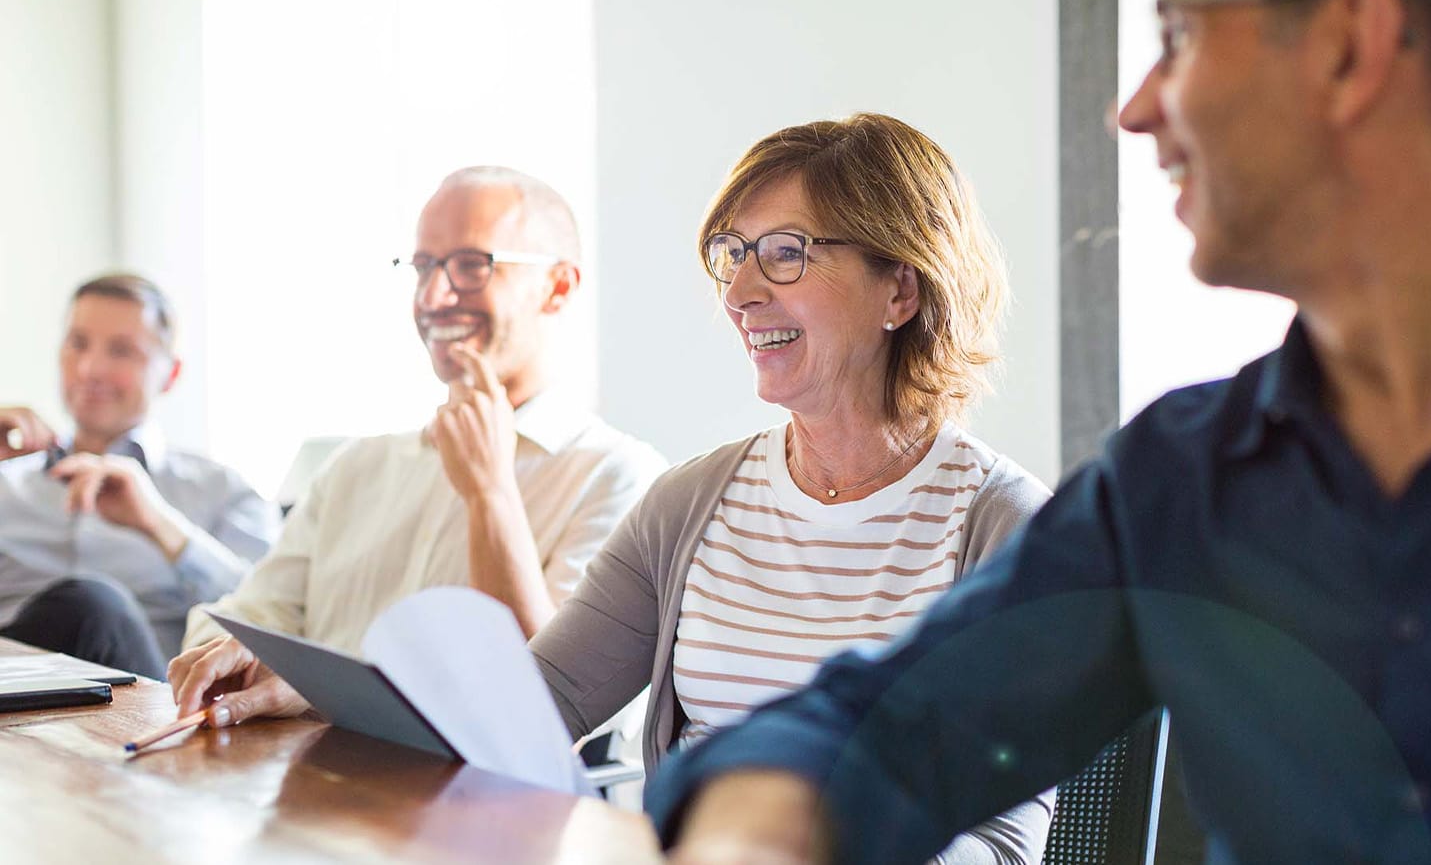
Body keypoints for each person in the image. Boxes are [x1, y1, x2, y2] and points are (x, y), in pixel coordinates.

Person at [647, 0, 1431, 864]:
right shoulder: (1180, 477)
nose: (1134, 109)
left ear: (1351, 46)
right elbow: (906, 726)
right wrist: (752, 826)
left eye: (1179, 34)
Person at [527, 113, 1054, 861]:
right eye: (732, 255)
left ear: (899, 290)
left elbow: (1001, 847)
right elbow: (531, 706)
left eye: (785, 254)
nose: (740, 292)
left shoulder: (1004, 529)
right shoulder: (687, 505)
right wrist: (337, 694)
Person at [169, 166, 667, 727]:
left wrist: (490, 494)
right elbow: (242, 614)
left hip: (473, 806)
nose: (434, 296)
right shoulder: (357, 467)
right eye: (425, 266)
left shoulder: (620, 477)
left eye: (472, 266)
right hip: (301, 786)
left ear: (558, 287)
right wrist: (238, 657)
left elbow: (548, 709)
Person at [0, 275, 279, 677]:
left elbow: (275, 621)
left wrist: (162, 527)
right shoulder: (7, 480)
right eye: (77, 343)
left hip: (142, 711)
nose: (90, 369)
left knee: (93, 606)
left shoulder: (221, 491)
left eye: (121, 351)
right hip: (15, 705)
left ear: (171, 374)